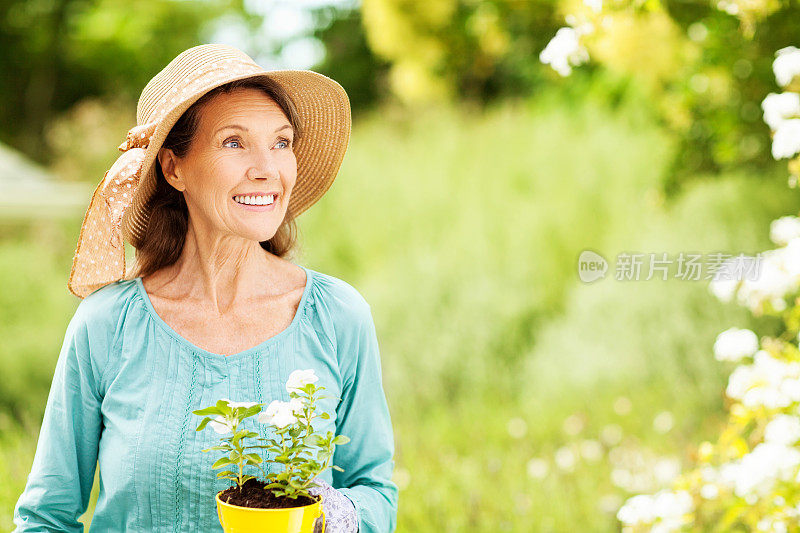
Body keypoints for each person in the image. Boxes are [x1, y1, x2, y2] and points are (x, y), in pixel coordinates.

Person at [12, 43, 398, 533]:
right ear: (174, 168)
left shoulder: (337, 314)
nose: (267, 168)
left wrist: (334, 519)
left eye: (281, 142)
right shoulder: (107, 324)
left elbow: (374, 488)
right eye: (234, 143)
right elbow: (45, 517)